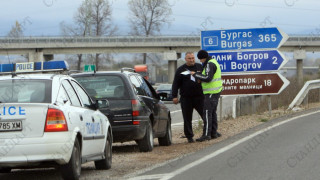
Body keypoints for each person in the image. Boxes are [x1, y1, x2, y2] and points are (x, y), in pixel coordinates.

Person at [172, 52, 204, 143]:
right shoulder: (180, 70)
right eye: (189, 58)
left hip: (199, 97)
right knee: (187, 118)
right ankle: (189, 136)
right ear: (185, 59)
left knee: (205, 115)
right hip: (186, 98)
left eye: (193, 58)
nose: (191, 60)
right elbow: (175, 84)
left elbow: (206, 78)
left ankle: (208, 133)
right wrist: (174, 96)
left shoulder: (200, 67)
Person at [191, 50, 222, 142]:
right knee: (212, 112)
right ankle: (213, 132)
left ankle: (206, 135)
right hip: (215, 91)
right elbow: (207, 76)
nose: (200, 61)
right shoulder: (213, 62)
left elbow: (208, 78)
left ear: (203, 58)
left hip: (211, 92)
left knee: (207, 113)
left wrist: (196, 75)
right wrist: (201, 75)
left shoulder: (209, 64)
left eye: (200, 59)